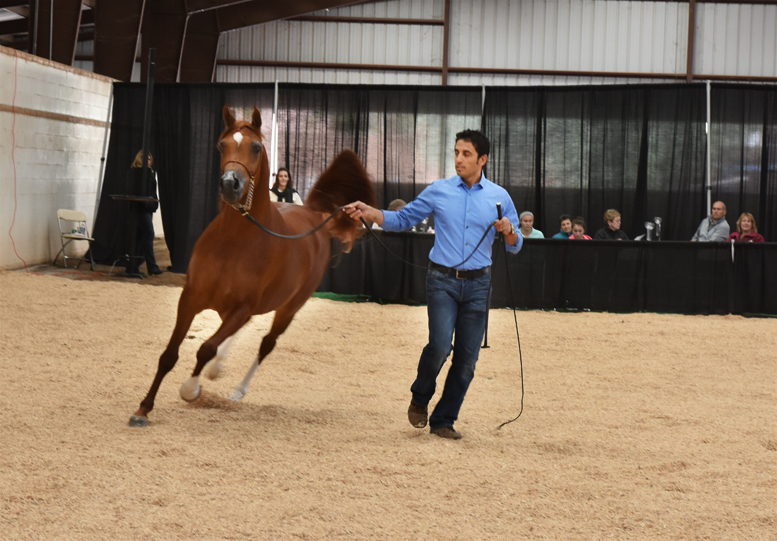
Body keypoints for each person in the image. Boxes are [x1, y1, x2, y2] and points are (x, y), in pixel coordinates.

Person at [344, 129, 522, 440]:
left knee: (467, 361)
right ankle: (420, 396)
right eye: (456, 152)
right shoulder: (439, 190)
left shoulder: (499, 197)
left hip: (479, 285)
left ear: (482, 159)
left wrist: (509, 229)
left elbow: (515, 245)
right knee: (440, 346)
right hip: (441, 281)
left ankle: (443, 420)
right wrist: (371, 212)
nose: (458, 159)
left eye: (466, 154)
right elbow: (404, 219)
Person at [125, 150, 162, 277]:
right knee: (149, 234)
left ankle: (133, 266)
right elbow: (137, 191)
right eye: (144, 158)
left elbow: (151, 191)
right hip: (140, 209)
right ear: (139, 159)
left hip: (147, 208)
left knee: (140, 238)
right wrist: (148, 204)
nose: (147, 161)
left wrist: (152, 204)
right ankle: (152, 266)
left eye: (149, 159)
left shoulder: (150, 173)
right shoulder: (137, 173)